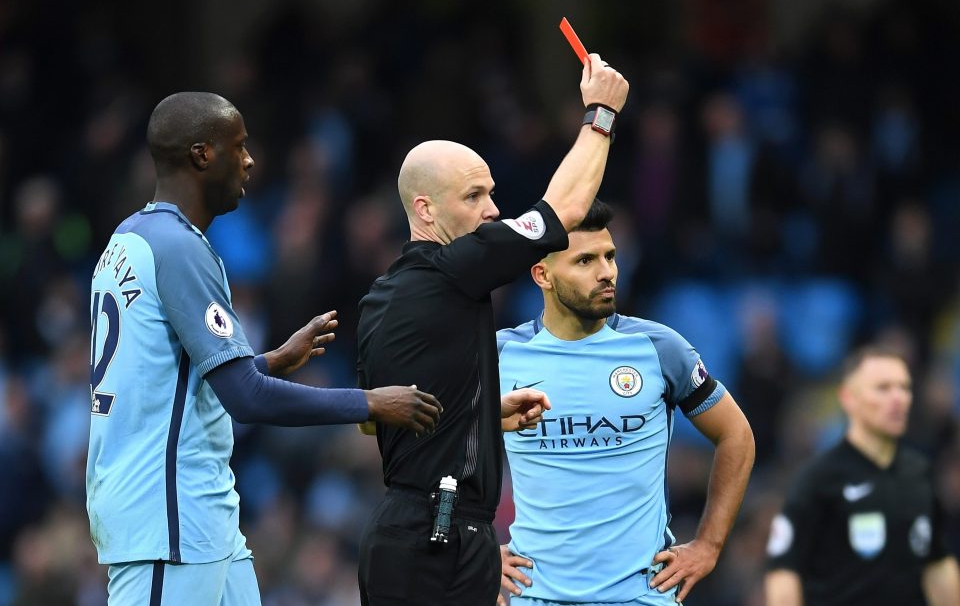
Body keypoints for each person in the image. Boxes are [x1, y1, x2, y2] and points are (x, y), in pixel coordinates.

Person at [87, 92, 442, 606]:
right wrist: (371, 403)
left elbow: (174, 379)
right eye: (239, 146)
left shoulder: (130, 238)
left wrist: (270, 361)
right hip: (166, 520)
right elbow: (247, 399)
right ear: (202, 155)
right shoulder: (180, 248)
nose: (250, 160)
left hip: (199, 516)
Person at [354, 55, 630, 605]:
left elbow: (377, 419)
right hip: (432, 539)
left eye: (491, 192)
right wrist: (601, 112)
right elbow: (566, 209)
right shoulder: (453, 270)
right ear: (426, 210)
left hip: (439, 531)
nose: (493, 210)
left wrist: (480, 413)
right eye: (474, 196)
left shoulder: (382, 296)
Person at [496, 199, 755, 606]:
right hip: (536, 595)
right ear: (542, 274)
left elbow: (736, 435)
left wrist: (709, 545)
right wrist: (473, 546)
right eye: (585, 261)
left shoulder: (658, 348)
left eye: (610, 256)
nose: (607, 272)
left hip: (642, 595)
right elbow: (439, 446)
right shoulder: (499, 355)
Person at [764, 347, 960, 605]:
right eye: (883, 388)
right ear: (849, 399)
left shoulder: (919, 472)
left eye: (904, 387)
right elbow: (784, 574)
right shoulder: (818, 479)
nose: (898, 398)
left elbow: (937, 562)